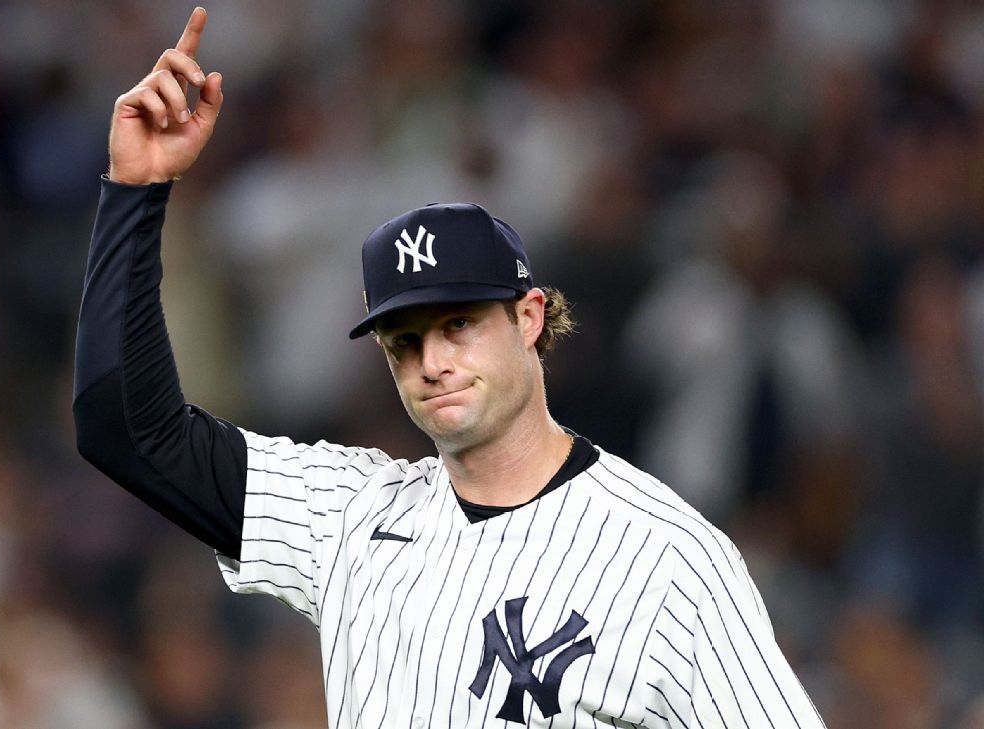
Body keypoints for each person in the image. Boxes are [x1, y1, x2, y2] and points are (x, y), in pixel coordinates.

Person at [73, 8, 827, 728]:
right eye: (404, 339)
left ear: (529, 318)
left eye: (458, 324)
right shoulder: (350, 516)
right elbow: (126, 428)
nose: (432, 361)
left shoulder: (665, 556)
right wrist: (136, 192)